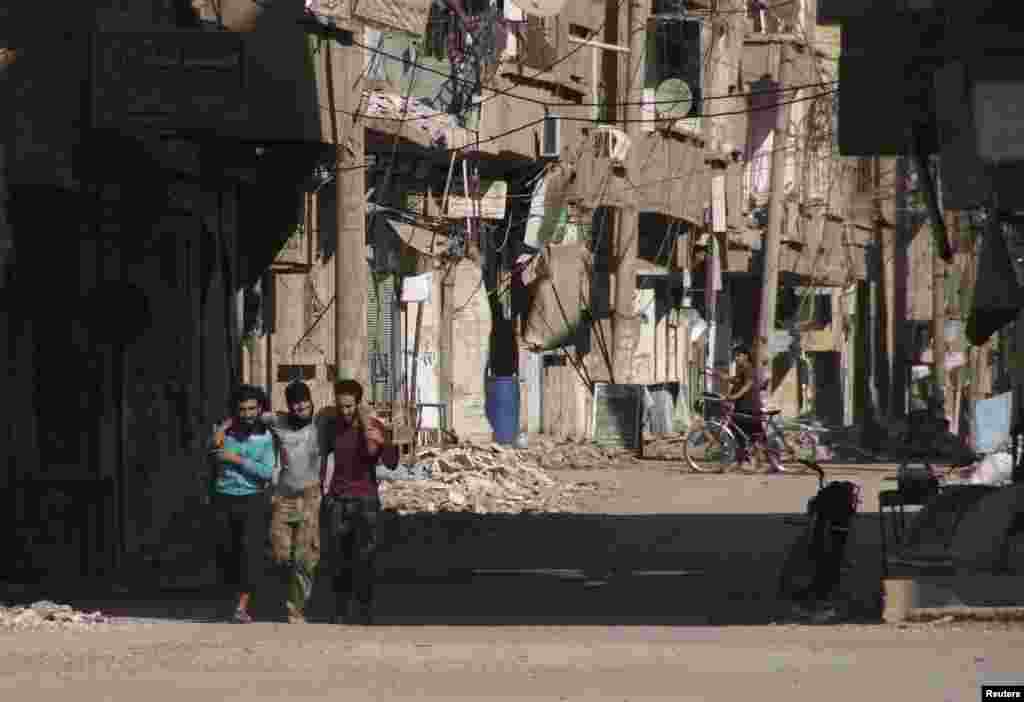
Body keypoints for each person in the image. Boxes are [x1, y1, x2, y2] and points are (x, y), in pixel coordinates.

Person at [320, 378, 398, 625]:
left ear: (358, 403)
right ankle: (340, 611)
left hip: (365, 500)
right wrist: (325, 492)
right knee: (339, 558)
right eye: (340, 406)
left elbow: (391, 462)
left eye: (349, 406)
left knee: (365, 558)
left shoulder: (372, 426)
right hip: (339, 499)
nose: (345, 411)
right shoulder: (331, 427)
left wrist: (383, 441)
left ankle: (364, 611)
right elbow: (323, 457)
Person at [209, 385, 275, 623]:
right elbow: (213, 451)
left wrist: (236, 459)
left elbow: (267, 472)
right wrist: (222, 432)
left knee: (250, 552)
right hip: (224, 496)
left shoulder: (265, 438)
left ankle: (242, 606)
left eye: (252, 409)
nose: (247, 414)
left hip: (252, 499)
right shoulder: (227, 432)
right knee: (227, 551)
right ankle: (229, 599)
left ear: (259, 409)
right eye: (243, 409)